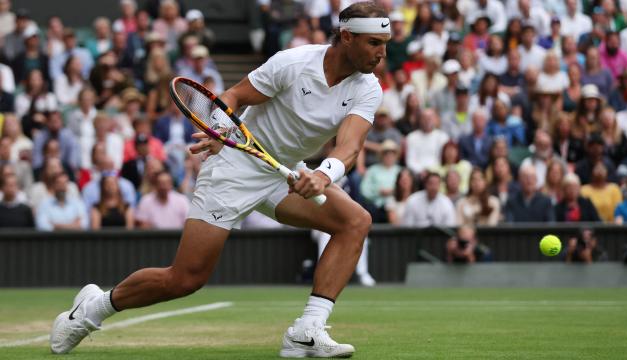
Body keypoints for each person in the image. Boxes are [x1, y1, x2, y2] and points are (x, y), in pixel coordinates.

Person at [50, 3, 390, 358]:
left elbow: (350, 147)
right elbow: (233, 97)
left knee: (355, 222)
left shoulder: (369, 88)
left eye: (385, 43)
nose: (381, 53)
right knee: (186, 279)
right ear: (347, 37)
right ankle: (91, 309)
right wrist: (221, 128)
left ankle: (308, 330)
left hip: (283, 171)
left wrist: (323, 175)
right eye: (373, 43)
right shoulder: (293, 63)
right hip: (234, 168)